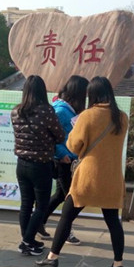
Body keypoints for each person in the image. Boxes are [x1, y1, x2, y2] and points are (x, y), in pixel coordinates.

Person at [35, 76, 129, 267]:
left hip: (88, 178)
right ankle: (118, 266)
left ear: (92, 95)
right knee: (113, 222)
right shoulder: (122, 117)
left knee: (67, 217)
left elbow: (73, 146)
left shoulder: (87, 116)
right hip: (112, 178)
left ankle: (52, 259)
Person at [11, 75, 64, 256]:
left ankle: (28, 240)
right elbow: (60, 136)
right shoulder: (47, 111)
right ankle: (27, 242)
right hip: (41, 164)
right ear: (42, 91)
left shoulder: (16, 111)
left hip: (21, 164)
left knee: (26, 204)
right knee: (41, 206)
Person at [38, 75, 89, 245]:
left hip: (70, 159)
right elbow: (49, 136)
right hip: (64, 161)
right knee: (71, 199)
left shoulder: (68, 110)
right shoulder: (61, 111)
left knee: (61, 195)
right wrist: (61, 154)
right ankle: (66, 232)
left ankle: (38, 221)